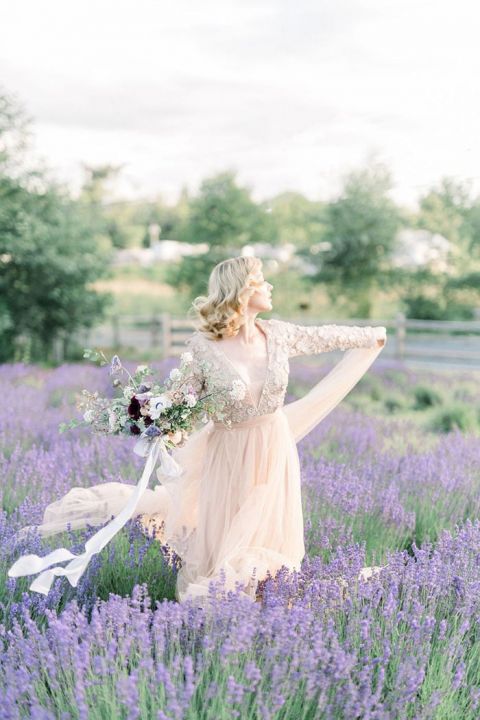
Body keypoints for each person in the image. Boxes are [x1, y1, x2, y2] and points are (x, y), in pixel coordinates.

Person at [8, 256, 387, 606]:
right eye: (261, 281)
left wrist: (370, 335)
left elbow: (327, 336)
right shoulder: (205, 347)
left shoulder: (279, 335)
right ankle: (223, 605)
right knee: (228, 534)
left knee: (267, 533)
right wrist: (155, 418)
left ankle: (266, 603)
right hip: (227, 452)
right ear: (241, 291)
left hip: (274, 448)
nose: (270, 286)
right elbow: (182, 399)